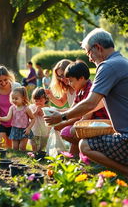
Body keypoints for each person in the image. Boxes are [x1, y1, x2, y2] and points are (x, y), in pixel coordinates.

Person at [44, 28, 128, 176]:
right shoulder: (121, 61)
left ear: (98, 47)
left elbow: (90, 103)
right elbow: (97, 104)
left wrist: (62, 117)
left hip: (125, 139)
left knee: (85, 144)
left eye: (89, 53)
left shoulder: (107, 66)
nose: (89, 58)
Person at [57, 60, 109, 156]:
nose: (69, 83)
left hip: (99, 122)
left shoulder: (91, 89)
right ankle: (75, 155)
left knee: (72, 130)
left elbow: (86, 115)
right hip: (90, 122)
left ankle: (88, 154)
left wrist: (64, 121)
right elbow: (73, 109)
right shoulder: (79, 90)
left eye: (71, 81)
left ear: (81, 78)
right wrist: (58, 114)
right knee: (67, 131)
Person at [0, 66, 21, 149]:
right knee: (1, 146)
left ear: (9, 77)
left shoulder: (17, 87)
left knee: (10, 149)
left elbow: (24, 101)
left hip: (14, 122)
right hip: (0, 122)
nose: (3, 83)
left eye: (5, 80)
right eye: (0, 81)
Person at [0, 87, 35, 151]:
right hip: (15, 129)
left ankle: (23, 158)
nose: (14, 100)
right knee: (15, 148)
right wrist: (0, 118)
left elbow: (33, 119)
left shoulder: (26, 109)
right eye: (12, 98)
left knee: (22, 147)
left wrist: (28, 128)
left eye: (16, 99)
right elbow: (8, 118)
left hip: (24, 130)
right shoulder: (12, 108)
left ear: (23, 98)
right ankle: (16, 158)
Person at [29, 87, 50, 152]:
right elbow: (30, 117)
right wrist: (36, 112)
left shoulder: (47, 108)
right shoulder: (32, 107)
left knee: (43, 145)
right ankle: (35, 153)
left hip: (44, 131)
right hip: (34, 130)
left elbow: (49, 119)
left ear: (45, 100)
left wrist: (43, 114)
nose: (38, 103)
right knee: (34, 144)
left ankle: (40, 153)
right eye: (36, 101)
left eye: (40, 101)